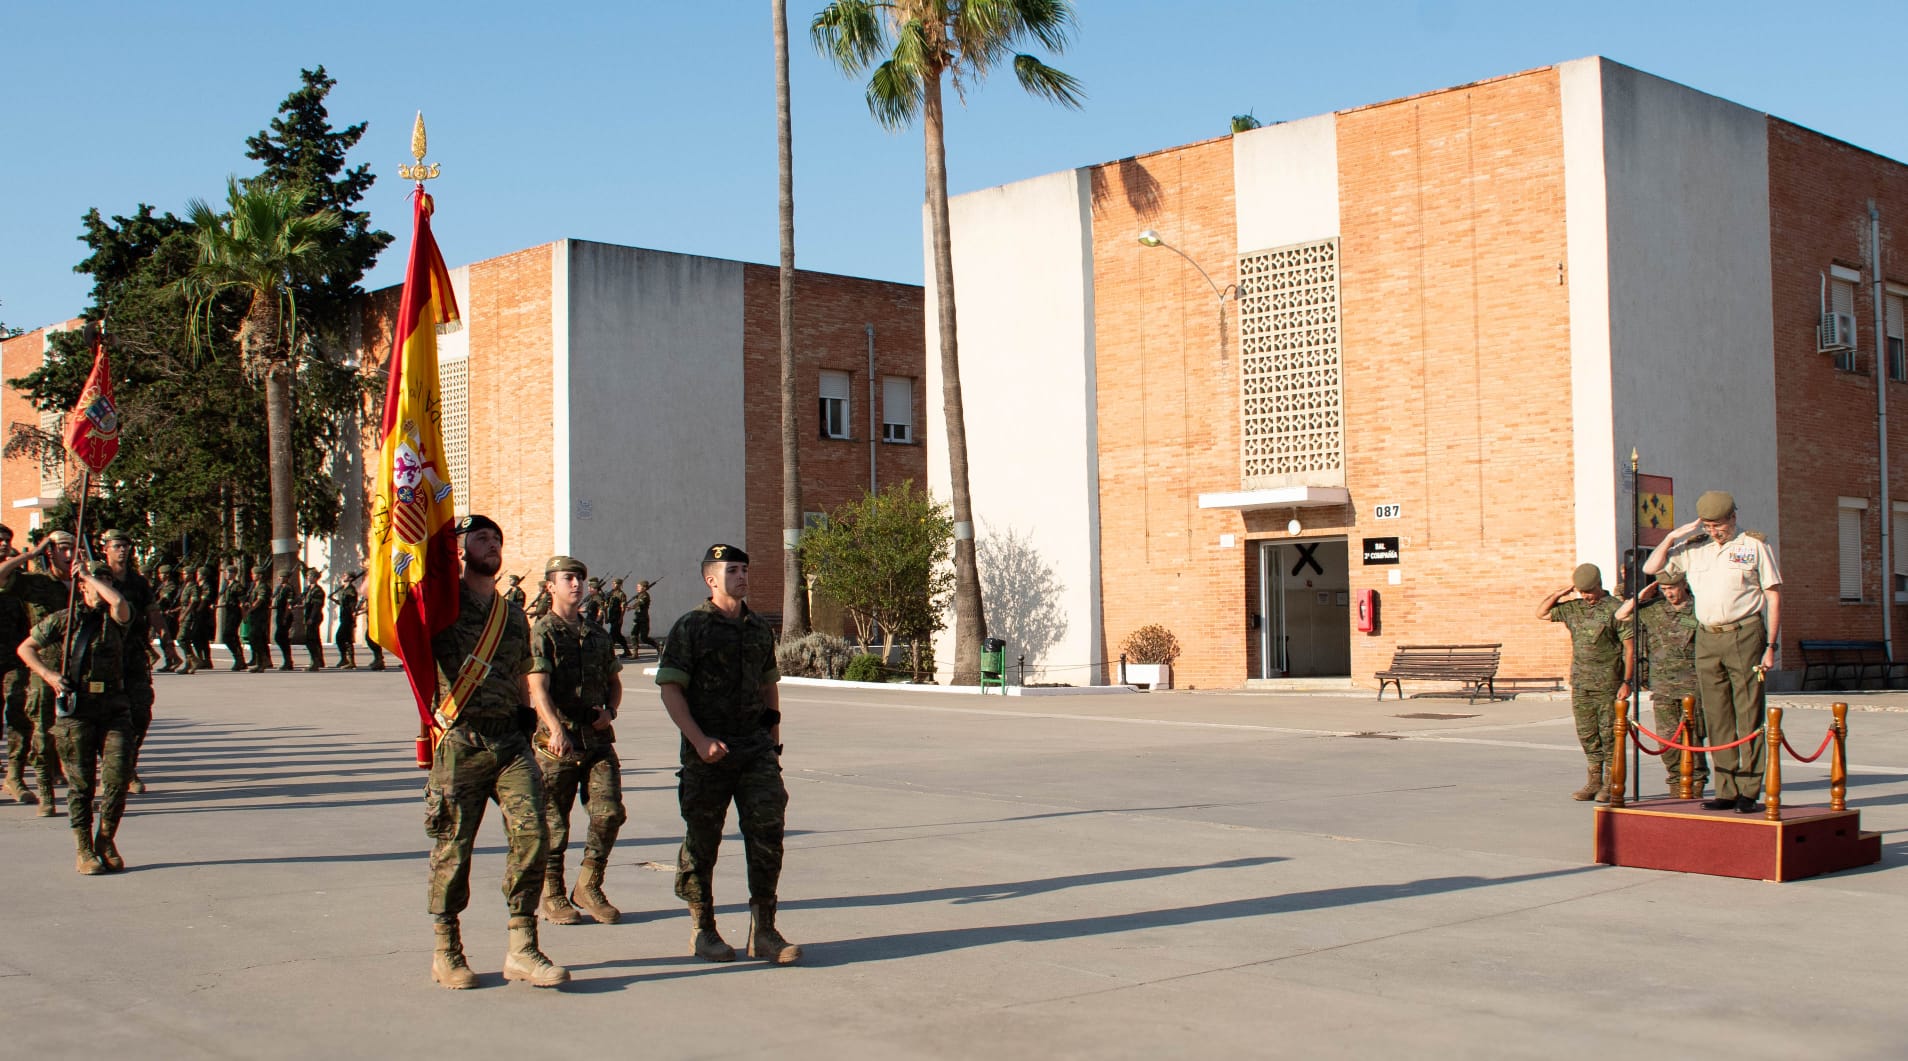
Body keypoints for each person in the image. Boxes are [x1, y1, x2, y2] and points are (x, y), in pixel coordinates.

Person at [422, 514, 567, 989]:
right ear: (460, 550)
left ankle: (522, 946)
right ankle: (447, 950)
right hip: (460, 740)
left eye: (496, 539)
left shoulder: (512, 614)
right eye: (480, 538)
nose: (491, 545)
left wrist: (529, 719)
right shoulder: (441, 604)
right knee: (454, 846)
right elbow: (397, 627)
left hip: (509, 742)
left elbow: (523, 672)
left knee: (534, 835)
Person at [657, 543, 801, 965]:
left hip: (754, 750)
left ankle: (765, 930)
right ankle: (703, 929)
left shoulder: (757, 628)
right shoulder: (692, 627)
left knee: (768, 832)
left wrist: (773, 743)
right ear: (711, 579)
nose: (741, 576)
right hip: (708, 755)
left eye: (744, 569)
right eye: (731, 570)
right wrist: (699, 740)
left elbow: (768, 687)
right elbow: (671, 689)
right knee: (702, 840)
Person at [1646, 491, 1783, 813]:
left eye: (1719, 525)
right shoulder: (1694, 548)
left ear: (1733, 518)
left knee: (1747, 713)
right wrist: (1672, 536)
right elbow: (1652, 567)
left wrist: (1771, 646)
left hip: (1744, 633)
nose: (1714, 531)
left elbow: (1774, 596)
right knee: (1717, 715)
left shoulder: (1754, 546)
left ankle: (1749, 789)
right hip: (1707, 636)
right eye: (1708, 526)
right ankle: (1726, 789)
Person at [528, 555, 626, 926]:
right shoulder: (544, 631)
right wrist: (555, 729)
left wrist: (610, 711)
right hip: (558, 745)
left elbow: (614, 682)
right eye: (568, 578)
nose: (576, 584)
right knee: (554, 823)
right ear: (550, 586)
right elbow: (537, 687)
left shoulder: (597, 634)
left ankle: (588, 884)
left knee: (609, 812)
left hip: (597, 740)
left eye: (579, 579)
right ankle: (552, 891)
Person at [17, 561, 134, 874]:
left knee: (117, 779)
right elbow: (26, 649)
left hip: (113, 707)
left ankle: (105, 839)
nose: (101, 589)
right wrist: (49, 675)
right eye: (94, 584)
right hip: (77, 709)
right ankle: (84, 848)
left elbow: (118, 602)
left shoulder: (116, 618)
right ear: (82, 589)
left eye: (106, 582)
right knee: (81, 784)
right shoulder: (63, 620)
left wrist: (89, 575)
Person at [1539, 563, 1634, 803]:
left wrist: (1627, 681)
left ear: (1599, 585)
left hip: (1608, 684)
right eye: (1582, 592)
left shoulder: (1615, 609)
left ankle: (1611, 783)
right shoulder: (1574, 609)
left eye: (1589, 591)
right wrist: (1559, 593)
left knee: (1609, 734)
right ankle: (1594, 781)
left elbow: (1629, 648)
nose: (1586, 596)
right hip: (1581, 683)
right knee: (1587, 733)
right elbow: (1541, 613)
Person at [0, 532, 79, 814]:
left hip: (76, 665)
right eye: (63, 549)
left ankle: (77, 791)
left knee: (77, 732)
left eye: (73, 548)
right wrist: (31, 554)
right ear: (50, 552)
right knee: (40, 731)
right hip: (41, 664)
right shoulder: (36, 583)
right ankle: (41, 790)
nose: (69, 555)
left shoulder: (84, 580)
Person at [1617, 570, 1710, 797]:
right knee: (1666, 739)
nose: (1669, 593)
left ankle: (1697, 780)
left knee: (1693, 736)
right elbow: (1621, 615)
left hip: (1693, 685)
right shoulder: (1654, 609)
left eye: (1672, 588)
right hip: (1663, 687)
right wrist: (1641, 596)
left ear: (1684, 584)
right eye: (1664, 589)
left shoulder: (1701, 608)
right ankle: (1675, 780)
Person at [101, 530, 159, 794]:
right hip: (104, 655)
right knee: (105, 716)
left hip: (134, 654)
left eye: (126, 546)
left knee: (140, 713)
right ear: (106, 549)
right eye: (117, 546)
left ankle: (127, 766)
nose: (123, 550)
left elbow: (152, 611)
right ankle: (115, 768)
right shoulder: (99, 578)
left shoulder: (138, 582)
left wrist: (167, 643)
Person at [155, 565, 185, 673]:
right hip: (162, 614)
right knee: (162, 640)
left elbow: (165, 599)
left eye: (162, 574)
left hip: (169, 615)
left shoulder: (171, 586)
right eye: (159, 574)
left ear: (167, 574)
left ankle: (174, 659)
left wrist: (154, 605)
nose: (160, 576)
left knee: (166, 639)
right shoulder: (162, 585)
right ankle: (169, 661)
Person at [220, 564, 251, 670]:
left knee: (227, 636)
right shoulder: (227, 585)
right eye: (225, 572)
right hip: (229, 612)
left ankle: (239, 659)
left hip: (235, 613)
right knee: (232, 637)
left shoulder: (237, 586)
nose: (226, 574)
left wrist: (244, 615)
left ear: (233, 574)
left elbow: (242, 602)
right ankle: (240, 660)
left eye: (228, 572)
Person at [330, 572, 361, 670]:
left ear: (350, 578)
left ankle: (350, 661)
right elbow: (343, 603)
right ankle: (345, 659)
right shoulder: (343, 589)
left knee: (344, 638)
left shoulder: (351, 590)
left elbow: (352, 605)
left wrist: (353, 617)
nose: (343, 576)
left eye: (345, 575)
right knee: (342, 639)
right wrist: (334, 600)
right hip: (343, 616)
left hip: (348, 617)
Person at [300, 572, 327, 670]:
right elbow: (306, 602)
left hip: (314, 617)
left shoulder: (318, 591)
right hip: (308, 616)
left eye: (310, 576)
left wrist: (311, 618)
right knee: (314, 639)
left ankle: (315, 662)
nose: (308, 577)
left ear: (315, 578)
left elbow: (316, 606)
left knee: (310, 639)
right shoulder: (308, 589)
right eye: (307, 576)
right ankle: (319, 660)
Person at [271, 571, 297, 671]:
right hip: (280, 614)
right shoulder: (280, 588)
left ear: (287, 578)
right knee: (281, 638)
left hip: (285, 615)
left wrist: (285, 617)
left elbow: (289, 605)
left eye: (282, 577)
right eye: (280, 577)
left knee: (281, 637)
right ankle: (287, 661)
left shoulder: (289, 588)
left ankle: (288, 661)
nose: (280, 578)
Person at [630, 579, 659, 656]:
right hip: (636, 618)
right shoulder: (639, 595)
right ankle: (635, 652)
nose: (637, 588)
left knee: (644, 638)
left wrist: (631, 607)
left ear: (644, 588)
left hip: (643, 619)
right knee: (633, 634)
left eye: (639, 586)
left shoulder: (645, 595)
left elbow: (639, 603)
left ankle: (658, 646)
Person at [605, 577, 630, 658]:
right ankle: (627, 651)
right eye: (613, 583)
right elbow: (606, 605)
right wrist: (606, 617)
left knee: (612, 634)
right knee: (618, 635)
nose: (614, 585)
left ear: (620, 585)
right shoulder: (611, 593)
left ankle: (609, 653)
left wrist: (621, 618)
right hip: (612, 617)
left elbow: (623, 608)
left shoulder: (622, 594)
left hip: (617, 617)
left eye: (616, 583)